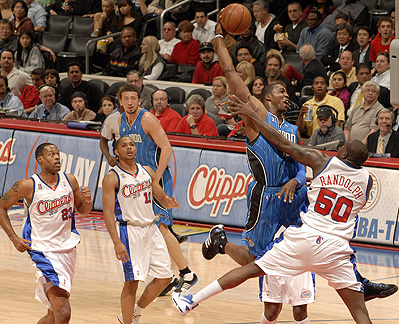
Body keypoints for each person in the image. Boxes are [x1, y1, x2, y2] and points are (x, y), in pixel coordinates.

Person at [173, 95, 376, 324]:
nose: (339, 149)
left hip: (305, 238)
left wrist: (251, 116)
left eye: (343, 148)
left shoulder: (323, 161)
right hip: (336, 249)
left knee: (253, 268)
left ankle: (191, 300)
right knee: (359, 312)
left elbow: (284, 143)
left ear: (345, 155)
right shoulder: (367, 180)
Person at [208, 29, 314, 324]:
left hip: (295, 198)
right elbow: (230, 73)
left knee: (300, 255)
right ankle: (222, 244)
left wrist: (298, 180)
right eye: (280, 91)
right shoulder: (257, 117)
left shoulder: (292, 129)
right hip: (266, 196)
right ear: (266, 98)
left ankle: (297, 302)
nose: (285, 95)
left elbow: (303, 163)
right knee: (259, 261)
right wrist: (219, 40)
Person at [0, 143, 92, 324]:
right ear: (40, 159)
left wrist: (87, 200)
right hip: (43, 252)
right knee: (63, 312)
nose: (57, 157)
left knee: (52, 315)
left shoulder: (70, 180)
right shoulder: (27, 185)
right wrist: (13, 237)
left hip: (68, 250)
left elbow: (83, 211)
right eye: (51, 154)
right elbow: (0, 207)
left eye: (58, 153)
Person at [118, 83, 198, 295]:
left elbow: (167, 147)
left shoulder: (147, 119)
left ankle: (186, 274)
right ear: (120, 102)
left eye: (133, 98)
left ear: (139, 100)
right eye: (126, 99)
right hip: (140, 182)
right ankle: (167, 276)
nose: (130, 102)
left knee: (161, 226)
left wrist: (157, 177)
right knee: (154, 228)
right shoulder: (121, 121)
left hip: (155, 179)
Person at [102, 136, 179, 324]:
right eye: (124, 146)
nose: (129, 148)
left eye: (131, 145)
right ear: (116, 152)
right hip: (130, 232)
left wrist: (169, 202)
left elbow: (160, 197)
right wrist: (116, 242)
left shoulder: (147, 171)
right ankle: (127, 321)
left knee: (165, 277)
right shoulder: (112, 177)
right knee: (132, 282)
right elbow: (108, 213)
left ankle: (134, 312)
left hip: (151, 229)